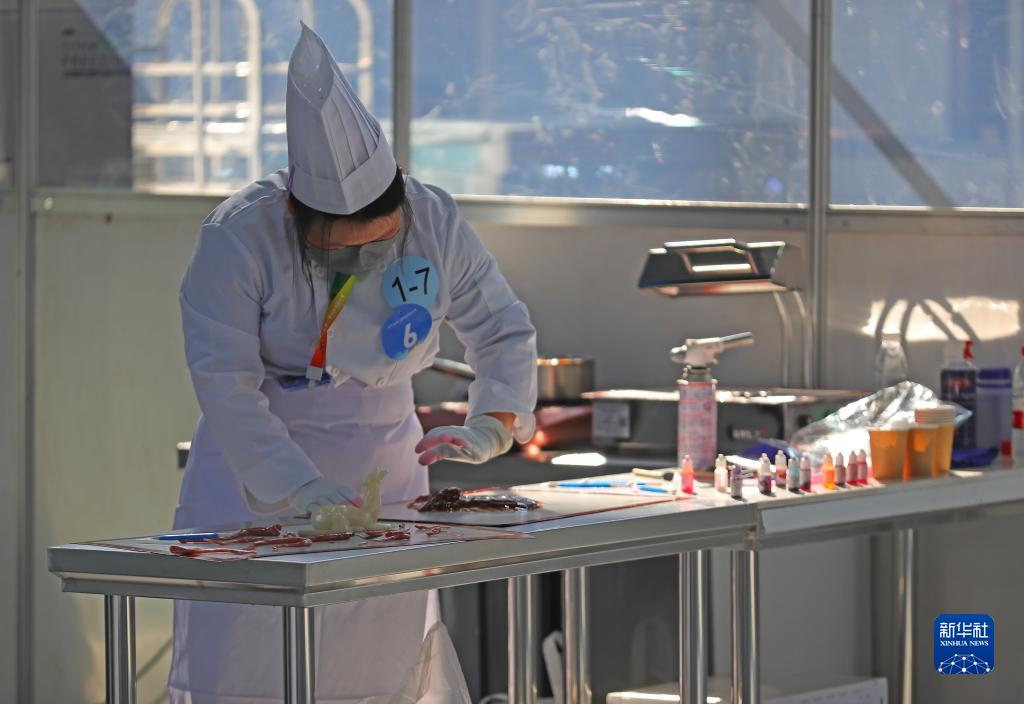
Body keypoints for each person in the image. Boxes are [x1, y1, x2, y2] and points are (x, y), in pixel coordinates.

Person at [170, 23, 537, 703]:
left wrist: (493, 422)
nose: (363, 264)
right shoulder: (237, 238)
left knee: (377, 667)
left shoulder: (435, 220)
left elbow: (501, 327)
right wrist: (297, 485)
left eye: (379, 245)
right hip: (258, 477)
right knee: (248, 669)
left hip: (386, 471)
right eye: (343, 251)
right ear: (294, 210)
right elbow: (225, 384)